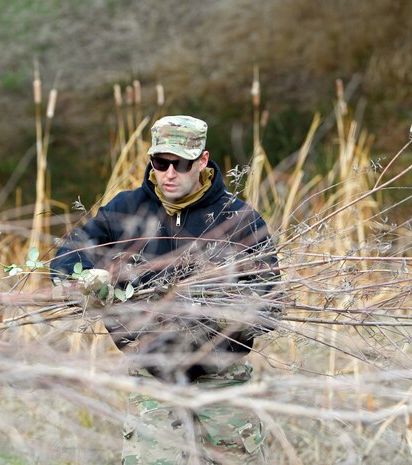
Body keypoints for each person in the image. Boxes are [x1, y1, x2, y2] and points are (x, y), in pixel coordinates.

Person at [51, 115, 280, 464]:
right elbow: (69, 254)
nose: (169, 173)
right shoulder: (125, 211)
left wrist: (224, 315)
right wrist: (83, 278)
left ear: (202, 161)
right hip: (152, 385)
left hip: (222, 385)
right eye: (161, 163)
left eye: (180, 164)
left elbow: (270, 304)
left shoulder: (239, 218)